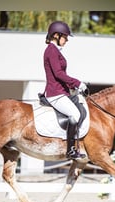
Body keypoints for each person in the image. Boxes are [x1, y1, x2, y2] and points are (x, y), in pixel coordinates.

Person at [43, 20, 87, 160]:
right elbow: (58, 74)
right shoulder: (51, 50)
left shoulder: (55, 51)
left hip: (62, 91)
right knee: (75, 114)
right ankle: (70, 150)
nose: (67, 40)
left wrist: (73, 88)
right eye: (65, 37)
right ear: (56, 35)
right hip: (55, 93)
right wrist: (78, 83)